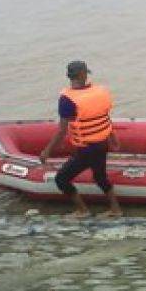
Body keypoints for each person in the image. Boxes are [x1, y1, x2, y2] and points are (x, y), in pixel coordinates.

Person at [39, 61, 122, 219]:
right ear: (83, 75)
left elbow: (62, 130)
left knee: (61, 179)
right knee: (100, 177)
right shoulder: (100, 91)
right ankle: (115, 209)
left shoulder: (67, 99)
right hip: (101, 143)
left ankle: (83, 211)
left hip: (86, 148)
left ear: (70, 77)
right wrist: (113, 138)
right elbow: (104, 117)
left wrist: (47, 151)